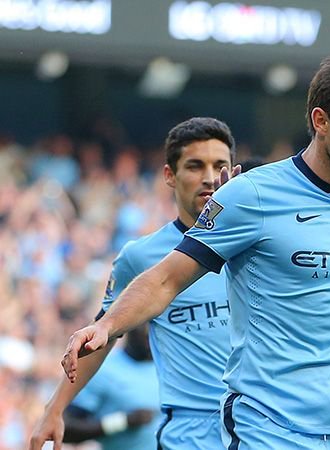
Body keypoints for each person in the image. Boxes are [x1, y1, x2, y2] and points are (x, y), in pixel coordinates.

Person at [61, 48, 330, 449]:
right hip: (272, 429)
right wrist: (106, 326)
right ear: (321, 121)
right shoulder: (252, 194)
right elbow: (167, 278)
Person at [31, 117, 239, 450]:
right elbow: (104, 334)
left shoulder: (256, 248)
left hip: (258, 427)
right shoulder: (141, 256)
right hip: (189, 433)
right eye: (195, 166)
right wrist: (54, 409)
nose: (209, 177)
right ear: (169, 175)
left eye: (219, 166)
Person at [62, 324, 160, 450]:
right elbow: (66, 429)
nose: (148, 331)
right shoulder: (103, 369)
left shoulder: (170, 368)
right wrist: (122, 421)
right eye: (143, 325)